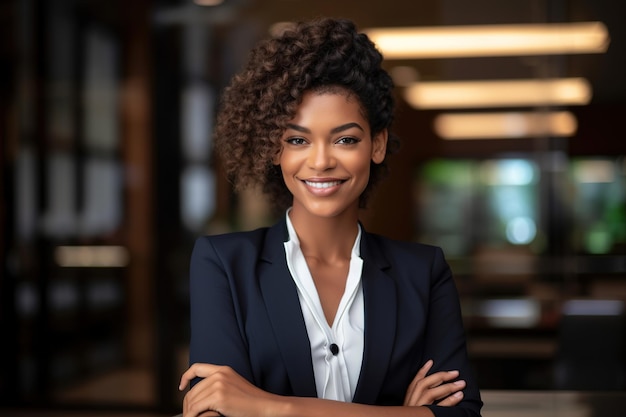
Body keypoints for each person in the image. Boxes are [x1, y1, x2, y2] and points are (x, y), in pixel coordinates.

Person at [178, 17, 483, 417]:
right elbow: (213, 412)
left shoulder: (423, 273)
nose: (321, 161)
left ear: (377, 144)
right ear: (275, 150)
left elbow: (461, 415)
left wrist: (272, 408)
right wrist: (404, 414)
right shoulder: (223, 264)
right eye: (298, 140)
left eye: (345, 139)